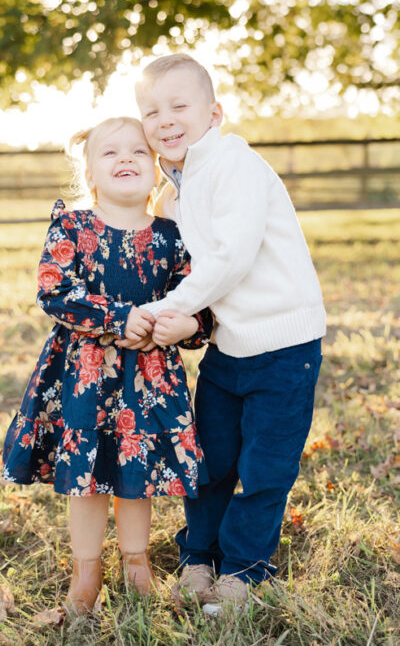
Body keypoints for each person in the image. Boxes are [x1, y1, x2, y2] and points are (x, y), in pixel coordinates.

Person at [131, 54, 326, 612]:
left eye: (178, 105)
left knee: (265, 467)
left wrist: (169, 308)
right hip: (228, 349)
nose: (164, 119)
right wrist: (188, 320)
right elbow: (191, 269)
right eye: (151, 111)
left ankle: (243, 570)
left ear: (214, 113)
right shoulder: (175, 189)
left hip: (284, 346)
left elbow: (230, 257)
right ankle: (199, 556)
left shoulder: (235, 165)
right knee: (211, 459)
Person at [1, 116, 211, 617]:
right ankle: (86, 567)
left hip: (150, 379)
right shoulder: (71, 228)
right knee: (89, 477)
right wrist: (120, 318)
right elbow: (54, 292)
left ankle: (136, 560)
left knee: (137, 472)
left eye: (139, 152)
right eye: (110, 153)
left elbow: (197, 301)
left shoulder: (172, 236)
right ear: (90, 174)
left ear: (157, 170)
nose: (126, 160)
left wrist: (186, 328)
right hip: (85, 375)